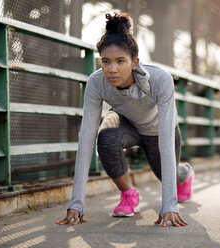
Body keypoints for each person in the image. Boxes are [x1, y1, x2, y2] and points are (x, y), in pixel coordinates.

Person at [56, 12, 194, 228]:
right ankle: (128, 195)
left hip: (158, 130)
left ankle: (185, 173)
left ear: (134, 62)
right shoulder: (96, 83)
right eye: (106, 61)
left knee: (170, 176)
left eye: (120, 61)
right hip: (127, 124)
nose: (112, 69)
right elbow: (86, 140)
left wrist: (169, 205)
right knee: (106, 138)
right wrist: (76, 204)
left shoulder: (161, 79)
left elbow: (166, 141)